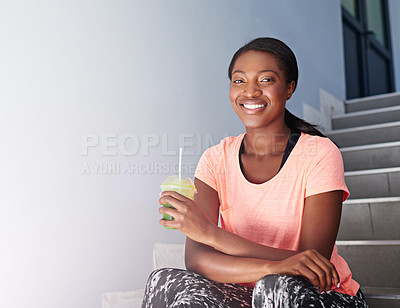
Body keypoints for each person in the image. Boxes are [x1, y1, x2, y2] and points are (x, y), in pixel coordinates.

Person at [142, 37, 369, 307]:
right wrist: (274, 266)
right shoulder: (215, 160)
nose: (250, 92)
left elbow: (311, 263)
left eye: (265, 80)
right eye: (239, 81)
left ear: (289, 89)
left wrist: (210, 233)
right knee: (163, 280)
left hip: (322, 296)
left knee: (276, 288)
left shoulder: (319, 153)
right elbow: (197, 260)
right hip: (250, 292)